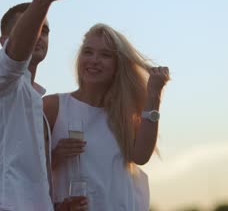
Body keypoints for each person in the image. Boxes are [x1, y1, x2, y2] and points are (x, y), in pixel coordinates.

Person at [0, 0, 89, 211]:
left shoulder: (35, 99)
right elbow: (17, 54)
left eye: (45, 31)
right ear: (4, 41)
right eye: (34, 28)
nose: (39, 35)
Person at [43, 23, 170, 210]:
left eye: (105, 55)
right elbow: (28, 171)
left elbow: (141, 156)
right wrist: (56, 156)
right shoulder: (53, 106)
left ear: (118, 65)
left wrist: (154, 95)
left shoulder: (123, 114)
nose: (94, 60)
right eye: (88, 52)